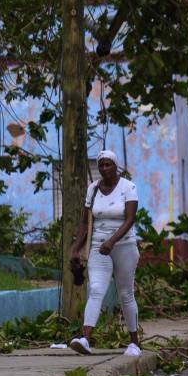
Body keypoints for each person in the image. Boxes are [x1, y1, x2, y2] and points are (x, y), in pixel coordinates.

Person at [69, 151, 142, 356]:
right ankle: (85, 339)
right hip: (98, 246)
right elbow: (85, 222)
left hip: (124, 246)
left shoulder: (128, 187)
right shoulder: (93, 189)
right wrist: (76, 248)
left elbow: (129, 219)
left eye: (108, 165)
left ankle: (135, 342)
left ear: (115, 166)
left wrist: (112, 241)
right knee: (96, 289)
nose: (104, 169)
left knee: (126, 293)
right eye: (101, 165)